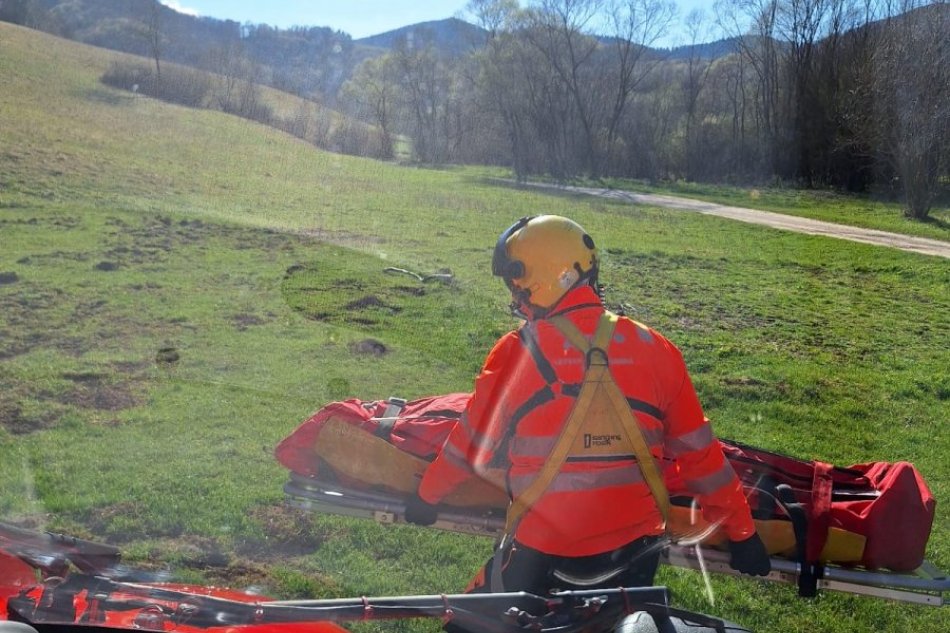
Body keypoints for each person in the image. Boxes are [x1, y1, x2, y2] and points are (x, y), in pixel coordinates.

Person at [405, 215, 770, 596]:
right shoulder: (657, 350)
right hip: (637, 553)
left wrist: (427, 497)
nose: (514, 296)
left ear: (538, 280)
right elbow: (703, 460)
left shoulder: (516, 353)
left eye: (515, 285)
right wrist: (743, 533)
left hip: (545, 554)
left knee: (464, 622)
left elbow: (468, 444)